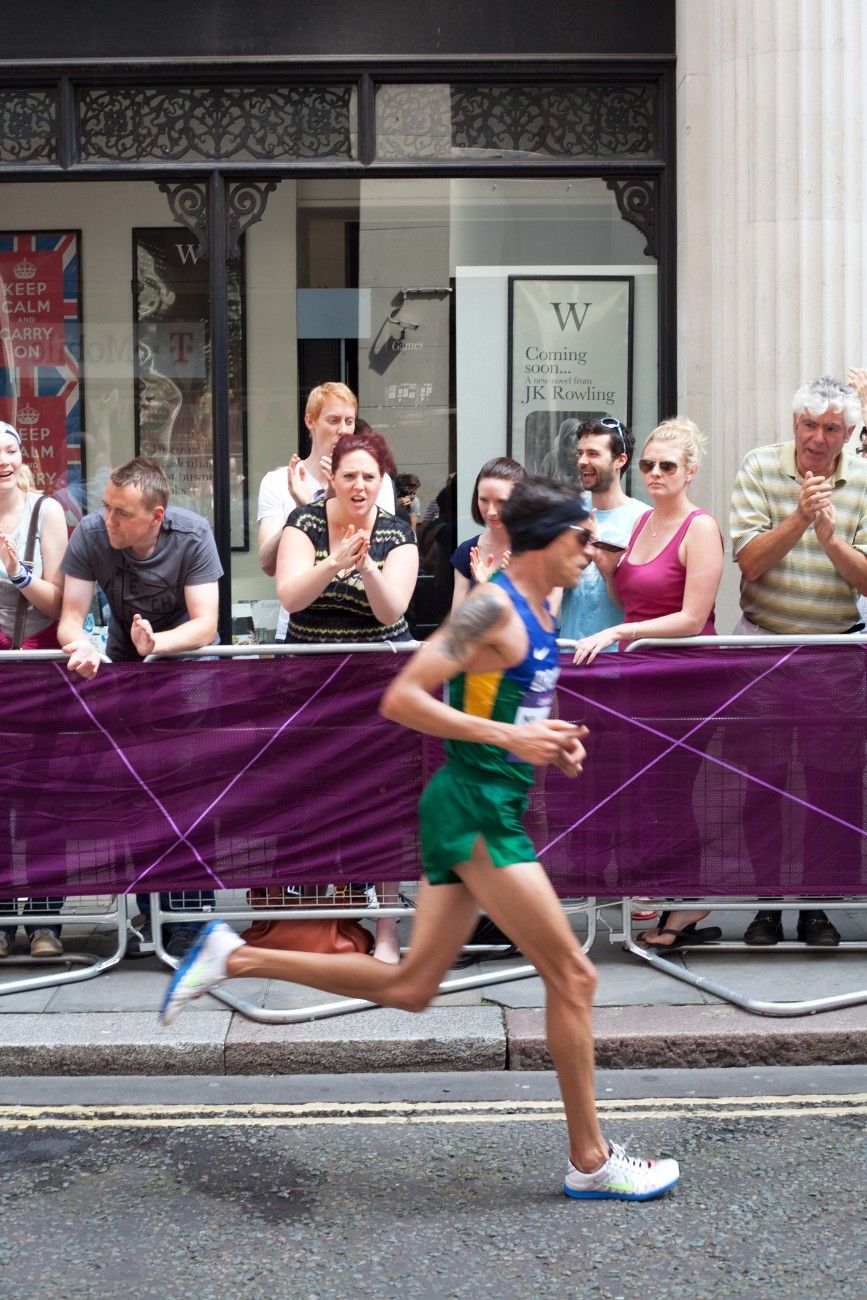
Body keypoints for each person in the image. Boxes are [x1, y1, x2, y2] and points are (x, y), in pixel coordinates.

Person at [161, 476, 680, 1203]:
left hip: (482, 802)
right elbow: (401, 696)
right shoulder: (488, 608)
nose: (590, 552)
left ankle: (234, 956)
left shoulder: (538, 604)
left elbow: (514, 702)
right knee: (575, 975)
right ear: (546, 539)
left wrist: (548, 744)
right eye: (581, 538)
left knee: (410, 986)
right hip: (474, 813)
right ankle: (590, 1160)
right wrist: (508, 736)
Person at [57, 456, 223, 960]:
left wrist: (160, 642)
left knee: (187, 795)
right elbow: (70, 618)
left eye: (121, 513)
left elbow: (207, 623)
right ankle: (146, 914)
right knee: (134, 793)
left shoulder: (191, 535)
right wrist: (80, 646)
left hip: (186, 669)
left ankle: (189, 920)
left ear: (155, 517)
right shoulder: (89, 533)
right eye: (106, 507)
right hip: (125, 670)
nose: (107, 519)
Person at [573, 417, 724, 949]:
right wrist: (602, 564)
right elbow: (629, 599)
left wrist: (620, 631)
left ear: (690, 472)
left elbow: (691, 617)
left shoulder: (699, 527)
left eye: (667, 466)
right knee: (647, 793)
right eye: (648, 465)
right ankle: (666, 894)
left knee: (674, 791)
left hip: (683, 681)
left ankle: (689, 903)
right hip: (638, 678)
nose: (655, 473)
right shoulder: (642, 525)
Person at [731, 375, 867, 947]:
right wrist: (800, 519)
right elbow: (750, 563)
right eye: (808, 425)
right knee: (761, 786)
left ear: (850, 433)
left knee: (831, 788)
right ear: (793, 426)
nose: (817, 437)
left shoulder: (863, 479)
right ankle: (766, 908)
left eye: (830, 428)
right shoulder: (761, 467)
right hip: (763, 650)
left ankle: (818, 908)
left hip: (834, 656)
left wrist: (833, 540)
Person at [276, 428, 418, 961]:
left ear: (382, 483)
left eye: (369, 477)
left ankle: (385, 927)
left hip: (378, 687)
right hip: (310, 686)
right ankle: (320, 922)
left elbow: (392, 611)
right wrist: (334, 561)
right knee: (314, 799)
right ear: (330, 477)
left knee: (382, 802)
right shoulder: (305, 522)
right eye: (349, 475)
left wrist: (364, 566)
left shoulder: (397, 532)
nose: (359, 485)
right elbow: (290, 596)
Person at [0, 421, 69, 958]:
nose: (2, 459)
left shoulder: (45, 510)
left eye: (9, 449)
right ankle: (2, 920)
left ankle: (47, 922)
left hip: (40, 665)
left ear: (21, 458)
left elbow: (60, 603)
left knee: (45, 796)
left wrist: (19, 573)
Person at [257, 383, 396, 641]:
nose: (343, 430)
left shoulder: (376, 480)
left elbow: (381, 551)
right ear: (310, 421)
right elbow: (267, 563)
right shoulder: (278, 481)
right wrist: (302, 514)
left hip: (366, 628)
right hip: (300, 628)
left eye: (349, 421)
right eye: (333, 420)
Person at [559, 417, 649, 646]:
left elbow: (642, 606)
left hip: (618, 660)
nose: (582, 461)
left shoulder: (645, 519)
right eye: (580, 453)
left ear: (620, 460)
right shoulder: (566, 511)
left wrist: (609, 571)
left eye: (593, 454)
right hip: (570, 653)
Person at [450, 457, 526, 609]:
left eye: (502, 502)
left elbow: (543, 621)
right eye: (484, 500)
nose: (491, 511)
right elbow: (457, 624)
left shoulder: (540, 550)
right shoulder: (466, 552)